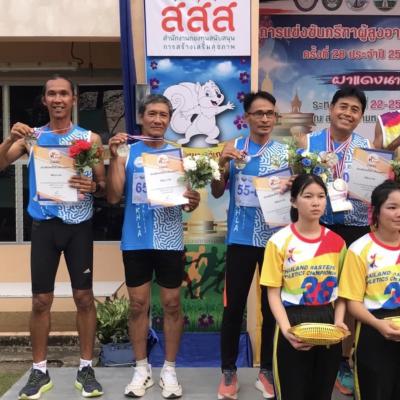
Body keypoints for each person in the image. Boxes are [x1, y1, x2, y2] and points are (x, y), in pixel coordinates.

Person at [0, 75, 106, 399]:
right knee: (40, 301)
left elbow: (102, 185)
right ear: (45, 100)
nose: (58, 99)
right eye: (52, 94)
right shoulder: (33, 137)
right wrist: (9, 139)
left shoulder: (90, 138)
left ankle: (86, 368)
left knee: (84, 298)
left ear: (73, 98)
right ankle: (39, 371)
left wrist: (94, 186)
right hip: (45, 226)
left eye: (63, 93)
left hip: (79, 226)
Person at [106, 94, 200, 399]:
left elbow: (188, 201)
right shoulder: (127, 151)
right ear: (141, 118)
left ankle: (169, 369)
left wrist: (193, 200)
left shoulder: (178, 153)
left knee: (171, 304)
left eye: (163, 115)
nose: (158, 119)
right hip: (136, 239)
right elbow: (113, 196)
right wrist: (114, 158)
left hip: (169, 240)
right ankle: (141, 368)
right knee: (137, 305)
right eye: (152, 114)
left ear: (169, 120)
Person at [211, 91, 288, 400]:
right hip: (240, 239)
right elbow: (217, 191)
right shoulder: (233, 148)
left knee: (272, 308)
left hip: (274, 241)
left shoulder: (286, 153)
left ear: (275, 117)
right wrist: (221, 163)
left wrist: (293, 184)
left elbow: (298, 195)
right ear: (247, 117)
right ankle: (228, 371)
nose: (265, 119)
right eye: (259, 113)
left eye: (270, 113)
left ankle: (267, 370)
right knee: (233, 308)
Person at [306, 85, 370, 396]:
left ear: (360, 116)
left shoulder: (366, 148)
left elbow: (374, 190)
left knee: (350, 295)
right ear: (331, 109)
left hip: (355, 228)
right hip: (318, 228)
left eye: (355, 109)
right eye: (343, 106)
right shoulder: (309, 143)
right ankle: (313, 352)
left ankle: (344, 359)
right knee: (317, 292)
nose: (348, 113)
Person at [260, 174, 347, 400]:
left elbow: (342, 294)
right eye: (308, 196)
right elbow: (273, 293)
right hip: (292, 321)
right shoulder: (278, 241)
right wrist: (287, 330)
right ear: (293, 201)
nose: (315, 202)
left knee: (322, 393)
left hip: (328, 323)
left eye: (321, 196)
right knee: (292, 392)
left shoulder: (337, 242)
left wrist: (338, 322)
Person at [339, 180, 400, 400]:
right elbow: (353, 303)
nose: (398, 213)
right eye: (392, 207)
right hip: (374, 330)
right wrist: (378, 325)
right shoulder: (359, 249)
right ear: (375, 212)